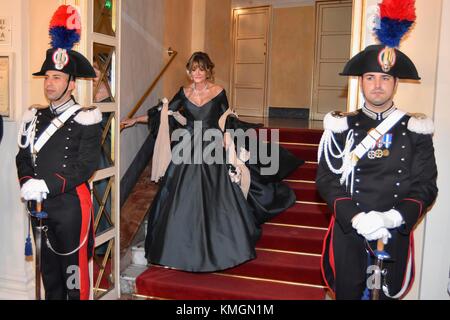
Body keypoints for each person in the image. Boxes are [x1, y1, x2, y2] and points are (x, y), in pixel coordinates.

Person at [121, 52, 303, 272]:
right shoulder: (183, 92)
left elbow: (227, 120)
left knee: (218, 194)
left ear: (208, 71)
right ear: (189, 71)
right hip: (187, 147)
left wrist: (227, 140)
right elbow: (164, 113)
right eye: (193, 69)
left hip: (212, 146)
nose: (197, 73)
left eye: (201, 69)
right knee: (179, 195)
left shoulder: (218, 92)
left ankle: (224, 246)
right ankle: (175, 249)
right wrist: (134, 120)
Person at [316, 43, 438, 300]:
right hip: (349, 230)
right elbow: (327, 179)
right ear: (361, 82)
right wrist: (357, 218)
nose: (378, 85)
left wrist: (393, 218)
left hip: (392, 231)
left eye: (385, 78)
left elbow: (426, 185)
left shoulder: (415, 128)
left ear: (395, 83)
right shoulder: (341, 125)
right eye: (370, 78)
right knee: (347, 294)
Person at [16, 5, 102, 300]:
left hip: (71, 209)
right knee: (49, 278)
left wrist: (47, 185)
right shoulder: (34, 116)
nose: (50, 84)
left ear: (71, 83)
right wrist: (28, 181)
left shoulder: (86, 116)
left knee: (73, 279)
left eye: (56, 78)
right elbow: (23, 156)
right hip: (40, 209)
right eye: (48, 77)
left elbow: (86, 164)